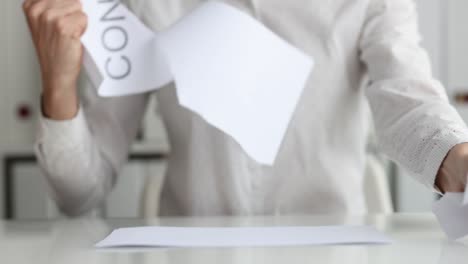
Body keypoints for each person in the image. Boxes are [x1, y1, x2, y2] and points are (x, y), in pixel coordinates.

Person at [23, 0, 468, 217]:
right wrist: (59, 85)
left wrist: (455, 158)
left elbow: (406, 97)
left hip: (333, 247)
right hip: (188, 253)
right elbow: (78, 194)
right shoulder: (143, 3)